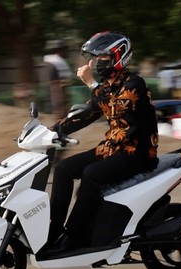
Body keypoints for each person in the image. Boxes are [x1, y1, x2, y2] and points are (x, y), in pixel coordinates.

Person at [46, 32, 159, 254]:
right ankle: (53, 230)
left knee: (92, 174)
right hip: (112, 148)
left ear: (119, 56)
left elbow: (116, 108)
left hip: (136, 153)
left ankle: (74, 236)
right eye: (96, 58)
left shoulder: (134, 84)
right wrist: (51, 131)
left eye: (103, 57)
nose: (97, 62)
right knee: (63, 168)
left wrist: (91, 83)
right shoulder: (107, 86)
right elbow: (88, 113)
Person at [43, 40, 73, 119]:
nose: (65, 52)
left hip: (55, 90)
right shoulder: (58, 62)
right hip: (58, 90)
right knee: (61, 114)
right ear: (58, 50)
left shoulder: (49, 61)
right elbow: (64, 80)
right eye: (63, 50)